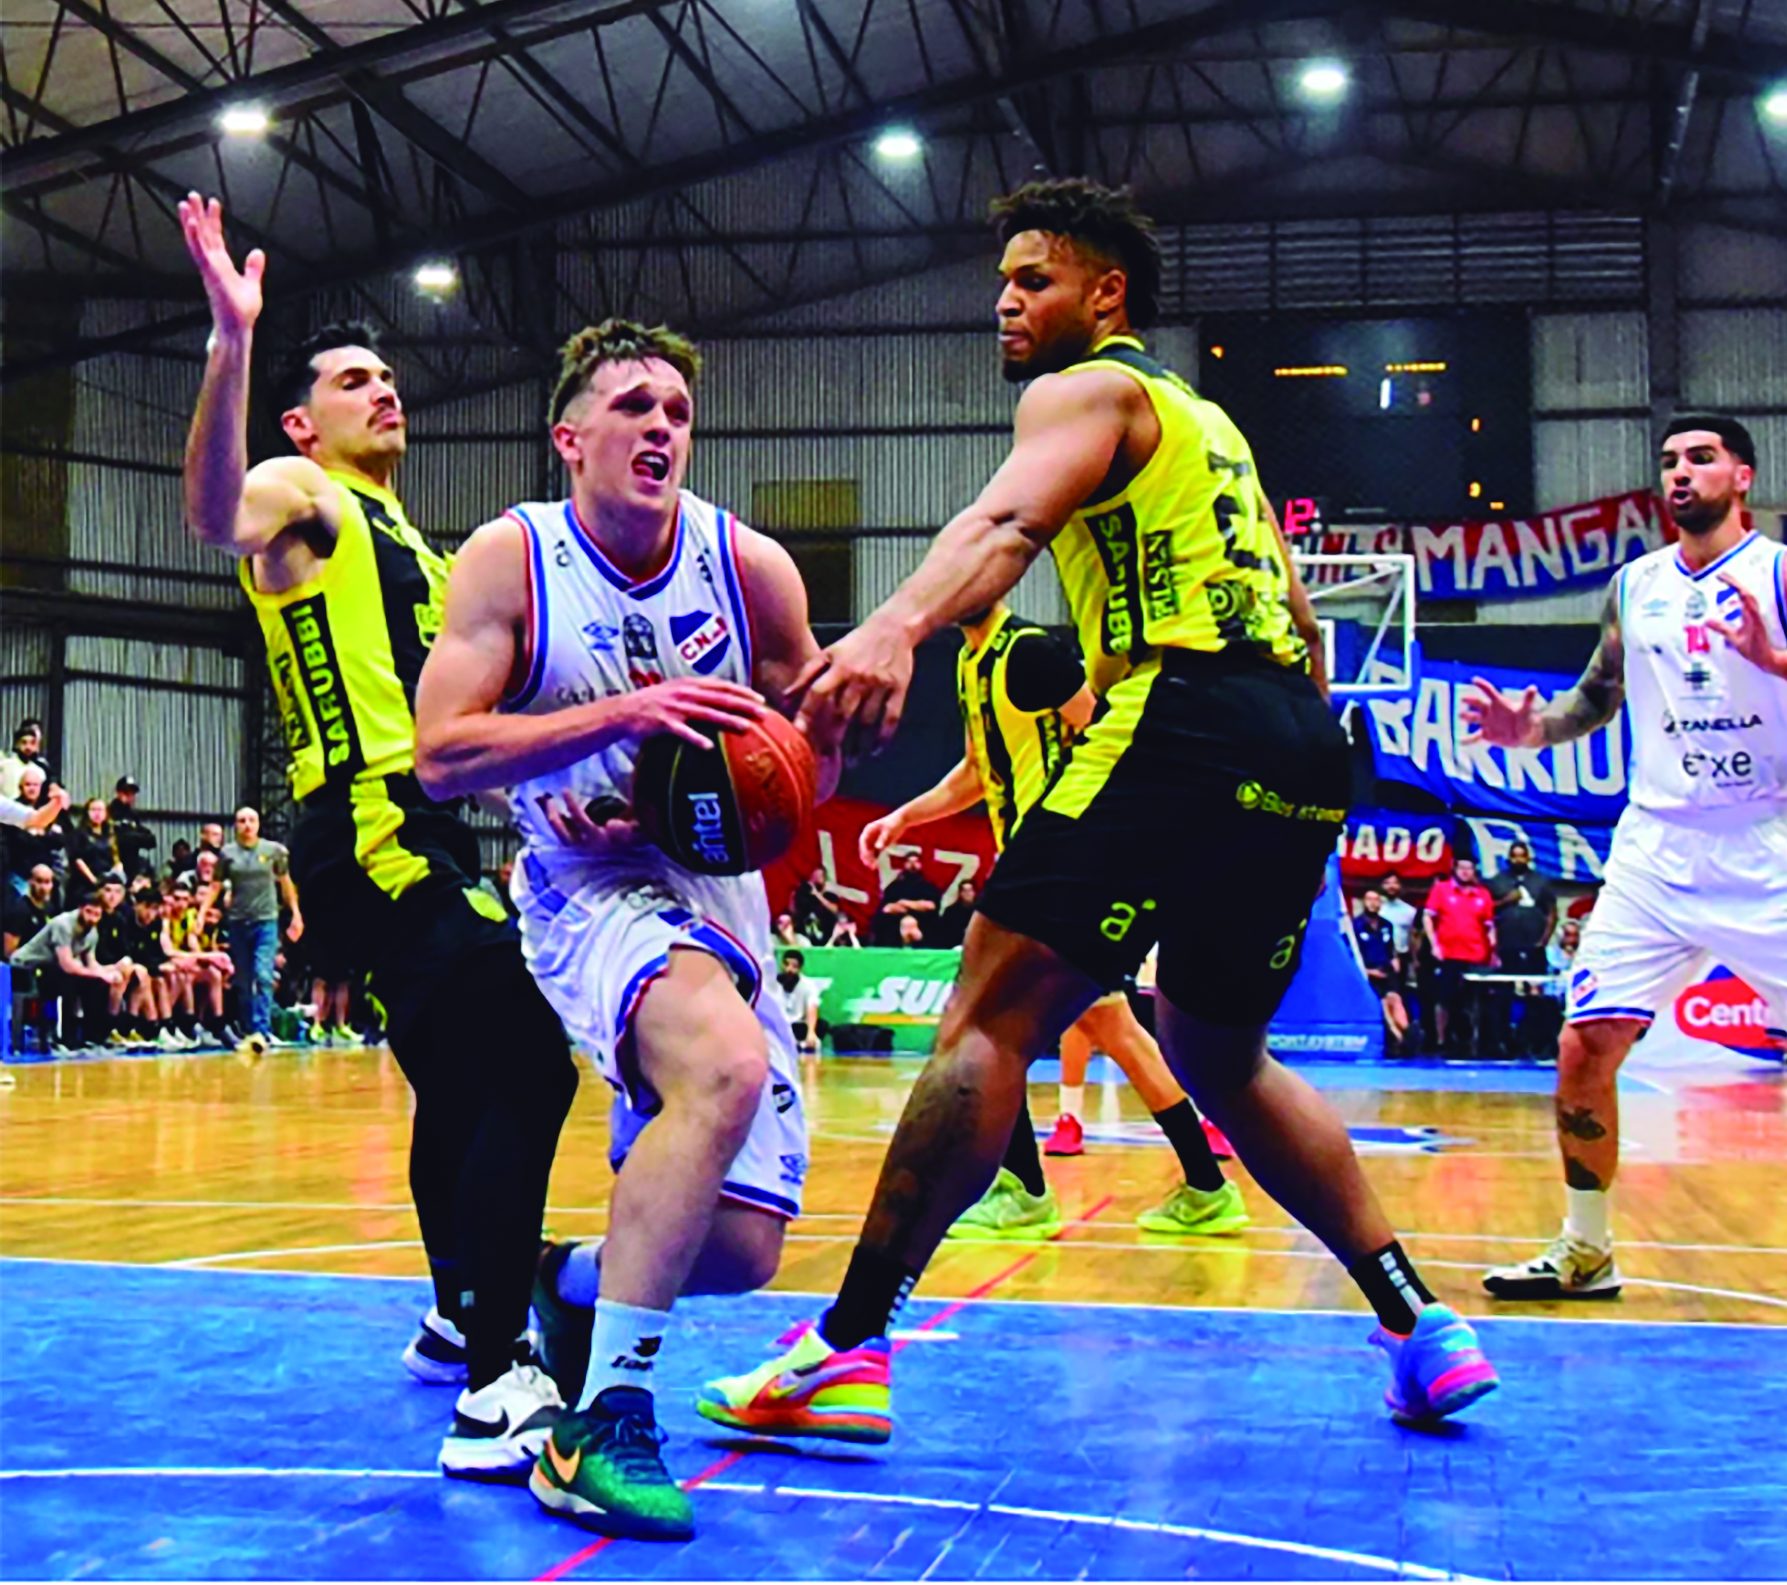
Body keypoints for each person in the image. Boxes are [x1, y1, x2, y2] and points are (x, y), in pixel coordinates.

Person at [700, 177, 1496, 1441]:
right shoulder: (1212, 429)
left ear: (1105, 293)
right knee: (1221, 1059)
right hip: (1297, 745)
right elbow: (1300, 624)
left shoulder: (1085, 391)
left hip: (1180, 710)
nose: (1005, 303)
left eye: (1033, 280)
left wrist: (894, 625)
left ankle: (845, 1346)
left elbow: (1008, 518)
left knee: (983, 1019)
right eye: (1002, 284)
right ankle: (1420, 1324)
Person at [414, 317, 841, 1540]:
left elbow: (805, 745)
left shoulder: (747, 565)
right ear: (569, 437)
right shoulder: (512, 559)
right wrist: (624, 717)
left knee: (742, 1249)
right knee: (724, 1064)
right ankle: (599, 1423)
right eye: (633, 407)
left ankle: (565, 1285)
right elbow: (441, 755)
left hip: (716, 890)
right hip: (583, 881)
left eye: (676, 411)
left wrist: (829, 731)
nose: (661, 427)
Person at [177, 192, 578, 1480]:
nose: (383, 390)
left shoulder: (411, 536)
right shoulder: (301, 494)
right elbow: (213, 513)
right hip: (368, 826)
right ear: (302, 421)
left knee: (457, 1083)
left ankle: (457, 1312)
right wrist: (232, 341)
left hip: (422, 825)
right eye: (353, 381)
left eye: (388, 376)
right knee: (530, 1069)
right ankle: (498, 1381)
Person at [1466, 414, 1786, 1300]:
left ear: (1741, 476)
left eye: (1701, 458)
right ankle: (1585, 1249)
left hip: (1767, 839)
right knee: (1583, 1044)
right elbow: (1595, 695)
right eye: (1669, 460)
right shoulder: (1635, 583)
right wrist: (1530, 730)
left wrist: (1775, 657)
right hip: (1655, 844)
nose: (1680, 472)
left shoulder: (1777, 572)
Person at [858, 598, 1245, 1239]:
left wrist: (1101, 844)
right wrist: (905, 817)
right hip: (1038, 866)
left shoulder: (1031, 652)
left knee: (982, 1019)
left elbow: (1108, 742)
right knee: (1114, 1030)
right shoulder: (969, 663)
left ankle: (1025, 1191)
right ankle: (1206, 1186)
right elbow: (977, 773)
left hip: (1058, 866)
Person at [217, 806, 303, 1046]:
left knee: (263, 975)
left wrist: (296, 914)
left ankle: (262, 1029)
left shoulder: (274, 851)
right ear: (235, 826)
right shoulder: (227, 854)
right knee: (243, 980)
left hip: (266, 921)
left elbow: (286, 883)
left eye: (251, 820)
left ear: (258, 825)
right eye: (242, 821)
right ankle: (248, 1029)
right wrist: (202, 914)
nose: (247, 825)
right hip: (238, 922)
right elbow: (215, 885)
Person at [11, 896, 116, 1048]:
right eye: (89, 912)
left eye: (97, 914)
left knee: (97, 984)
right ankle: (64, 1037)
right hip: (26, 967)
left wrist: (108, 973)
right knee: (68, 982)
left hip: (52, 966)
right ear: (80, 908)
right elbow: (66, 964)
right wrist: (98, 973)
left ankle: (93, 1036)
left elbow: (91, 963)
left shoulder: (92, 931)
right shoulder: (63, 925)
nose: (92, 918)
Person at [1486, 842, 1558, 1057]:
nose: (1518, 860)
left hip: (1534, 946)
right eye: (1514, 856)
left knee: (1535, 995)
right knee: (1503, 995)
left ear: (1528, 858)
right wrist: (1505, 901)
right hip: (1506, 946)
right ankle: (1502, 1042)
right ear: (1508, 858)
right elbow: (1486, 910)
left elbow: (1552, 913)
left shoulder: (1541, 881)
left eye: (1522, 856)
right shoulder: (1497, 881)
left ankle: (1534, 1042)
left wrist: (1544, 940)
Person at [1423, 857, 1496, 1055]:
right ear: (1455, 869)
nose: (1465, 872)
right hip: (1448, 954)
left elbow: (1489, 927)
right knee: (1444, 999)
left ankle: (1473, 1042)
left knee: (1475, 1001)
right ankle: (1441, 1041)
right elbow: (1428, 917)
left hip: (1476, 956)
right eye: (1462, 868)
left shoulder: (1483, 894)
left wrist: (1493, 951)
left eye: (1469, 868)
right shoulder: (1442, 890)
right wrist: (1434, 945)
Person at [1353, 888, 1411, 1055]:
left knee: (1395, 999)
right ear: (1364, 902)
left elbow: (1390, 950)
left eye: (1376, 900)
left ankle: (1408, 1032)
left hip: (1386, 971)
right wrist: (1368, 971)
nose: (1373, 903)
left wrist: (1395, 962)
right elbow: (1353, 956)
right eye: (1369, 899)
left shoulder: (1387, 925)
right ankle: (1398, 1038)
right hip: (1366, 974)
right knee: (1384, 1003)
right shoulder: (1356, 926)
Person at [870, 849, 941, 945]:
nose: (912, 865)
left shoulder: (929, 887)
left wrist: (904, 903)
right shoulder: (894, 887)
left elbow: (931, 906)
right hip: (896, 927)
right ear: (904, 864)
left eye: (916, 862)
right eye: (909, 862)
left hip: (924, 926)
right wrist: (914, 907)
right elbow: (887, 908)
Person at [63, 798, 119, 908]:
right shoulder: (78, 834)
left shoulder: (110, 835)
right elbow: (77, 859)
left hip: (105, 882)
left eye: (100, 810)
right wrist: (94, 880)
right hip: (83, 884)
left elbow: (115, 857)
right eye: (93, 810)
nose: (97, 814)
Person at [4, 865, 60, 959]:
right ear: (30, 881)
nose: (43, 887)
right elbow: (9, 952)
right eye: (39, 881)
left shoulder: (51, 909)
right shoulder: (19, 910)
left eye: (47, 882)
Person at [108, 777, 158, 881]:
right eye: (126, 792)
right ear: (118, 793)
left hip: (132, 861)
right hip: (114, 861)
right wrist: (134, 836)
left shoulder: (133, 815)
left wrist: (131, 836)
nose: (130, 796)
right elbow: (117, 838)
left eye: (132, 793)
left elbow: (150, 839)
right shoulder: (110, 812)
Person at [775, 950, 823, 1057]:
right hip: (778, 1025)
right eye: (786, 964)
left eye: (794, 966)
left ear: (800, 969)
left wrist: (811, 1033)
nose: (789, 969)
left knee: (819, 1027)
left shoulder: (808, 985)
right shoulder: (772, 983)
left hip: (797, 1026)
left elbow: (812, 1008)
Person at [791, 866, 840, 946]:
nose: (816, 879)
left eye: (819, 876)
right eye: (814, 876)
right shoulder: (804, 897)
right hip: (806, 937)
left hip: (826, 938)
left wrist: (817, 894)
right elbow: (793, 912)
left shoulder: (830, 896)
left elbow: (834, 909)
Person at [930, 878, 977, 950]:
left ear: (974, 892)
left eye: (970, 890)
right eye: (964, 891)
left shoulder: (979, 912)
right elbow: (945, 933)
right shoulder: (950, 911)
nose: (967, 894)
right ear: (960, 893)